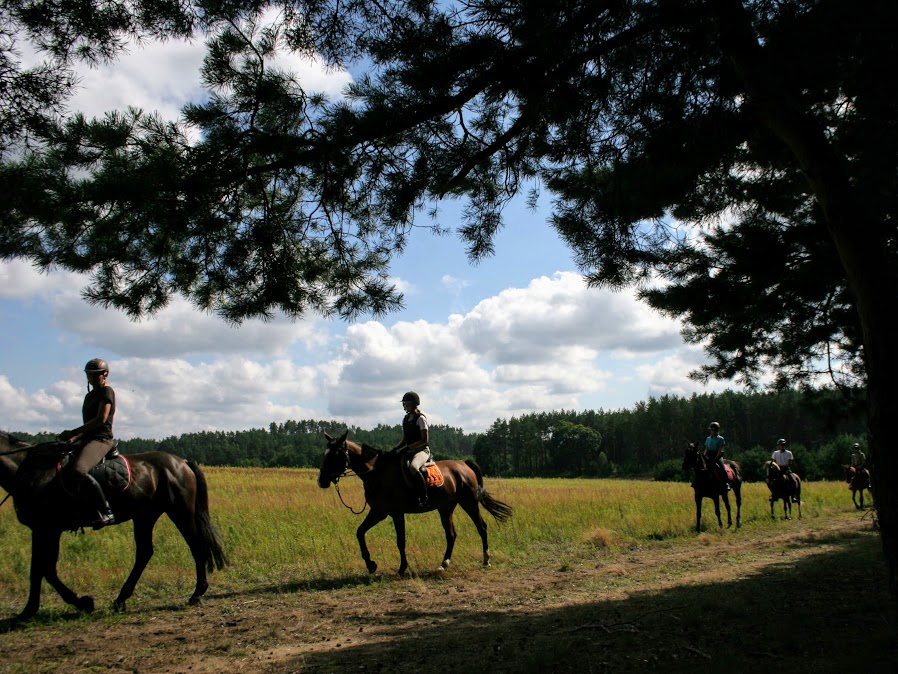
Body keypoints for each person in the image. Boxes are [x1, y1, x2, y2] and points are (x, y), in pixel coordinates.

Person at [58, 358, 117, 528]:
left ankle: (106, 512)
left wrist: (74, 432)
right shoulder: (89, 395)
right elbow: (87, 426)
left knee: (79, 469)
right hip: (87, 438)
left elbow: (101, 419)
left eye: (94, 375)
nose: (90, 378)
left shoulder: (107, 392)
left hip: (101, 439)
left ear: (104, 374)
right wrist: (73, 439)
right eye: (88, 375)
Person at [391, 391, 431, 507]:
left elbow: (425, 440)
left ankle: (424, 498)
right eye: (404, 404)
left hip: (422, 451)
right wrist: (395, 449)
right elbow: (404, 439)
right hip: (409, 450)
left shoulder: (420, 419)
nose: (404, 406)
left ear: (414, 404)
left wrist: (410, 447)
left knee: (413, 467)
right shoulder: (405, 419)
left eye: (407, 403)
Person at [703, 422, 730, 491]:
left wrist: (716, 457)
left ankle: (726, 483)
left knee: (722, 468)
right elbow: (706, 448)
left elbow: (720, 449)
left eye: (712, 430)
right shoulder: (708, 439)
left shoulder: (721, 439)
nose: (711, 431)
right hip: (709, 455)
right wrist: (704, 456)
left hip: (717, 456)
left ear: (716, 430)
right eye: (711, 430)